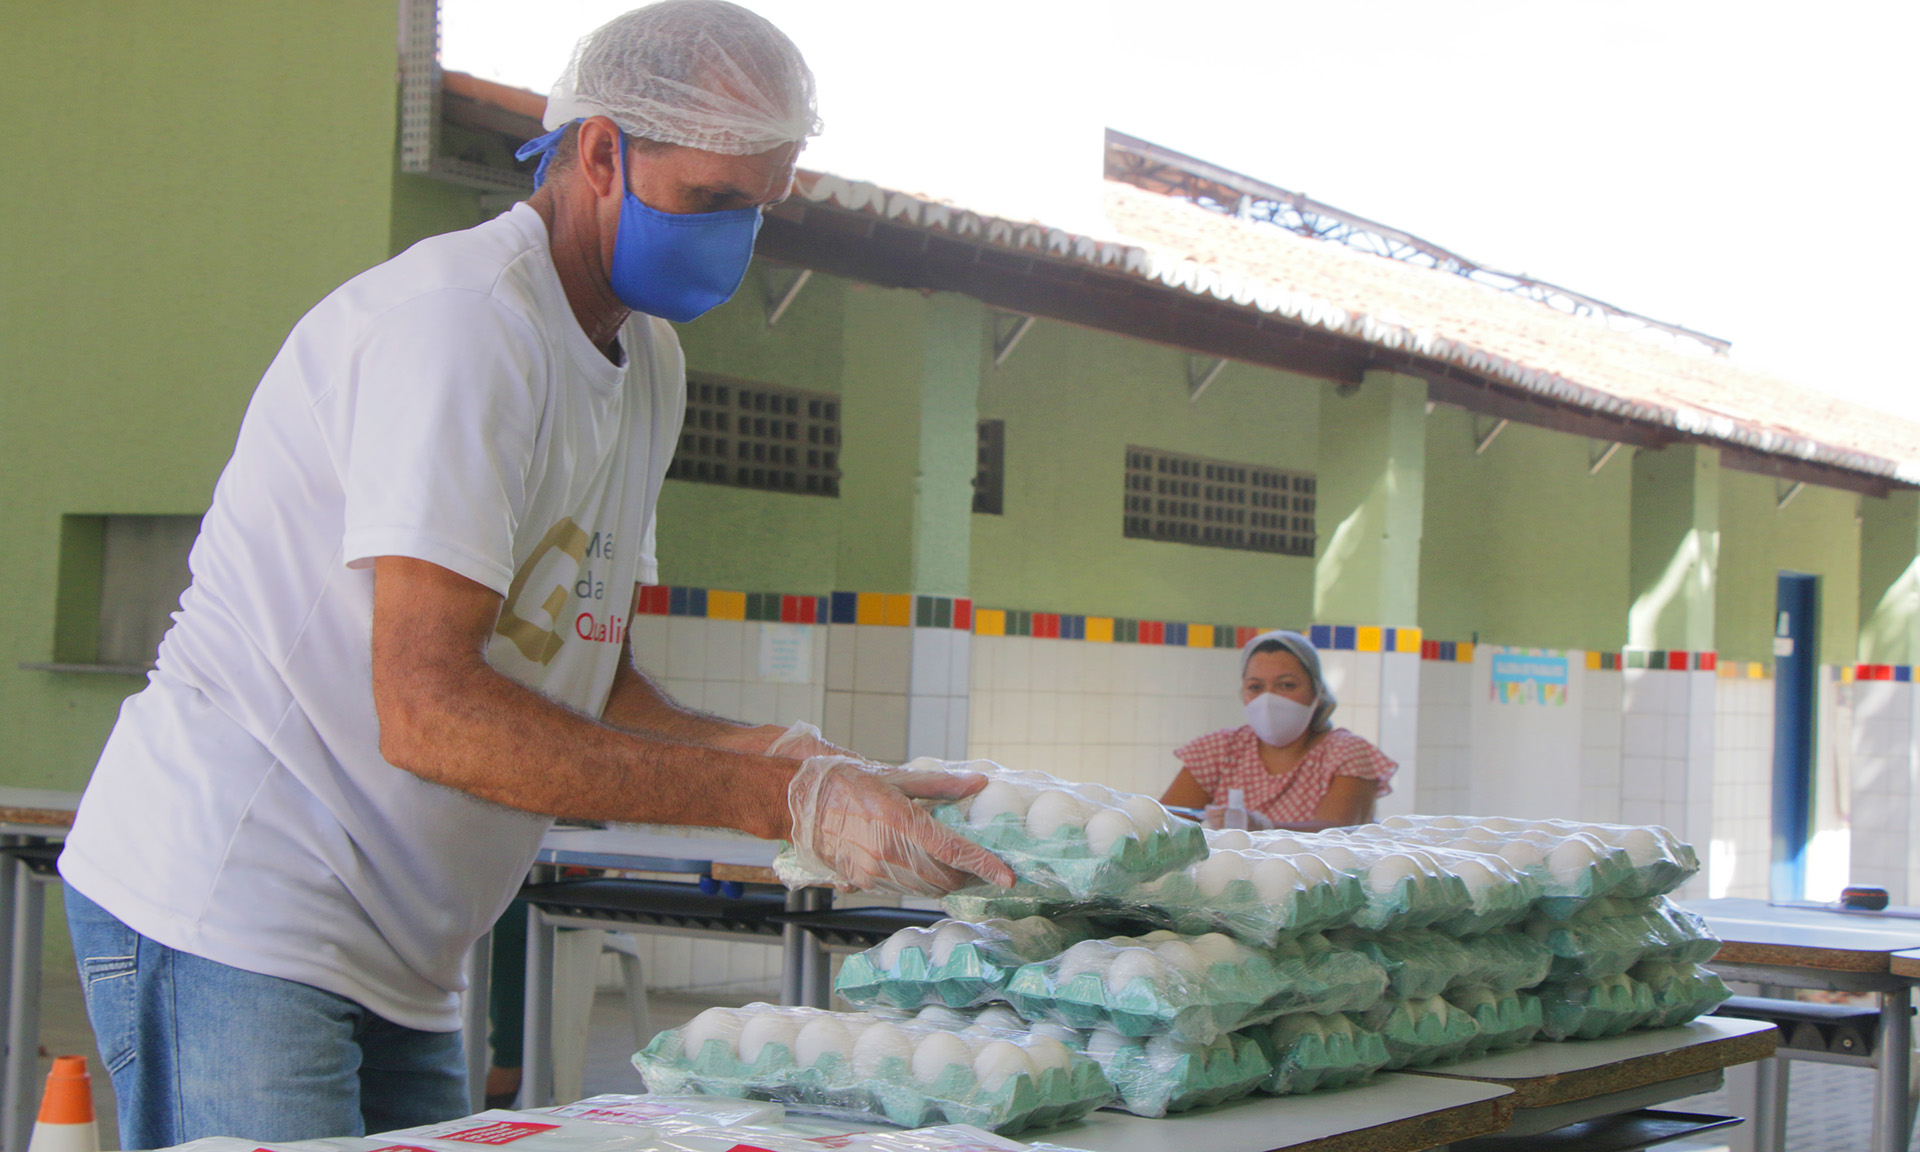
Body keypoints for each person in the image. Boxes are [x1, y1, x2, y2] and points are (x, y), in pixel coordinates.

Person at [57, 4, 1010, 1146]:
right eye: (712, 201)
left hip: (401, 951)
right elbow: (428, 714)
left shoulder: (647, 358)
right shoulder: (463, 328)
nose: (735, 238)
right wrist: (771, 803)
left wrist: (797, 762)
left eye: (759, 208)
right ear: (602, 153)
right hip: (238, 898)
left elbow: (586, 673)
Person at [1160, 629, 1395, 831]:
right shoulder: (1219, 749)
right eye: (1256, 687)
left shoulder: (1347, 753)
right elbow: (1163, 826)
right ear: (1243, 693)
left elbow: (1339, 833)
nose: (1269, 698)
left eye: (1287, 685)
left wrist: (1265, 828)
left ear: (1317, 692)